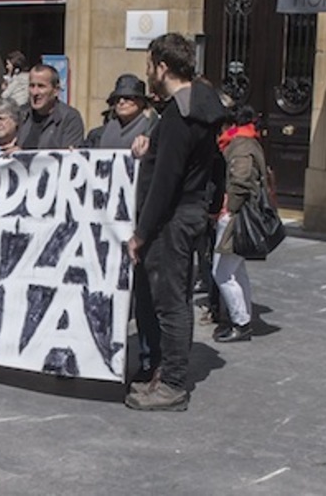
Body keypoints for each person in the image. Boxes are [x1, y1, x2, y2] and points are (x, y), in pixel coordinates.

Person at [125, 33, 227, 412]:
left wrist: (141, 233)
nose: (148, 72)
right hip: (189, 213)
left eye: (150, 65)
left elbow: (165, 182)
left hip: (172, 219)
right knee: (174, 298)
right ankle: (165, 375)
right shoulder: (197, 105)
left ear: (162, 67)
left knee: (171, 302)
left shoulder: (177, 116)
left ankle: (173, 385)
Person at [211, 104, 267, 343]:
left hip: (237, 215)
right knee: (237, 269)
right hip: (242, 212)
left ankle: (240, 323)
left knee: (221, 271)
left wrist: (229, 207)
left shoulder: (241, 145)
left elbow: (241, 179)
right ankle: (244, 317)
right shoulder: (248, 141)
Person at [16, 64, 84, 149]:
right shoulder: (21, 114)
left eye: (41, 86)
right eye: (32, 86)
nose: (35, 92)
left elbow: (68, 157)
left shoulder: (69, 118)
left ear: (56, 90)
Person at [85, 73, 158, 149]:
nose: (121, 102)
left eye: (128, 98)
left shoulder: (154, 131)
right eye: (117, 99)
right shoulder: (97, 135)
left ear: (141, 102)